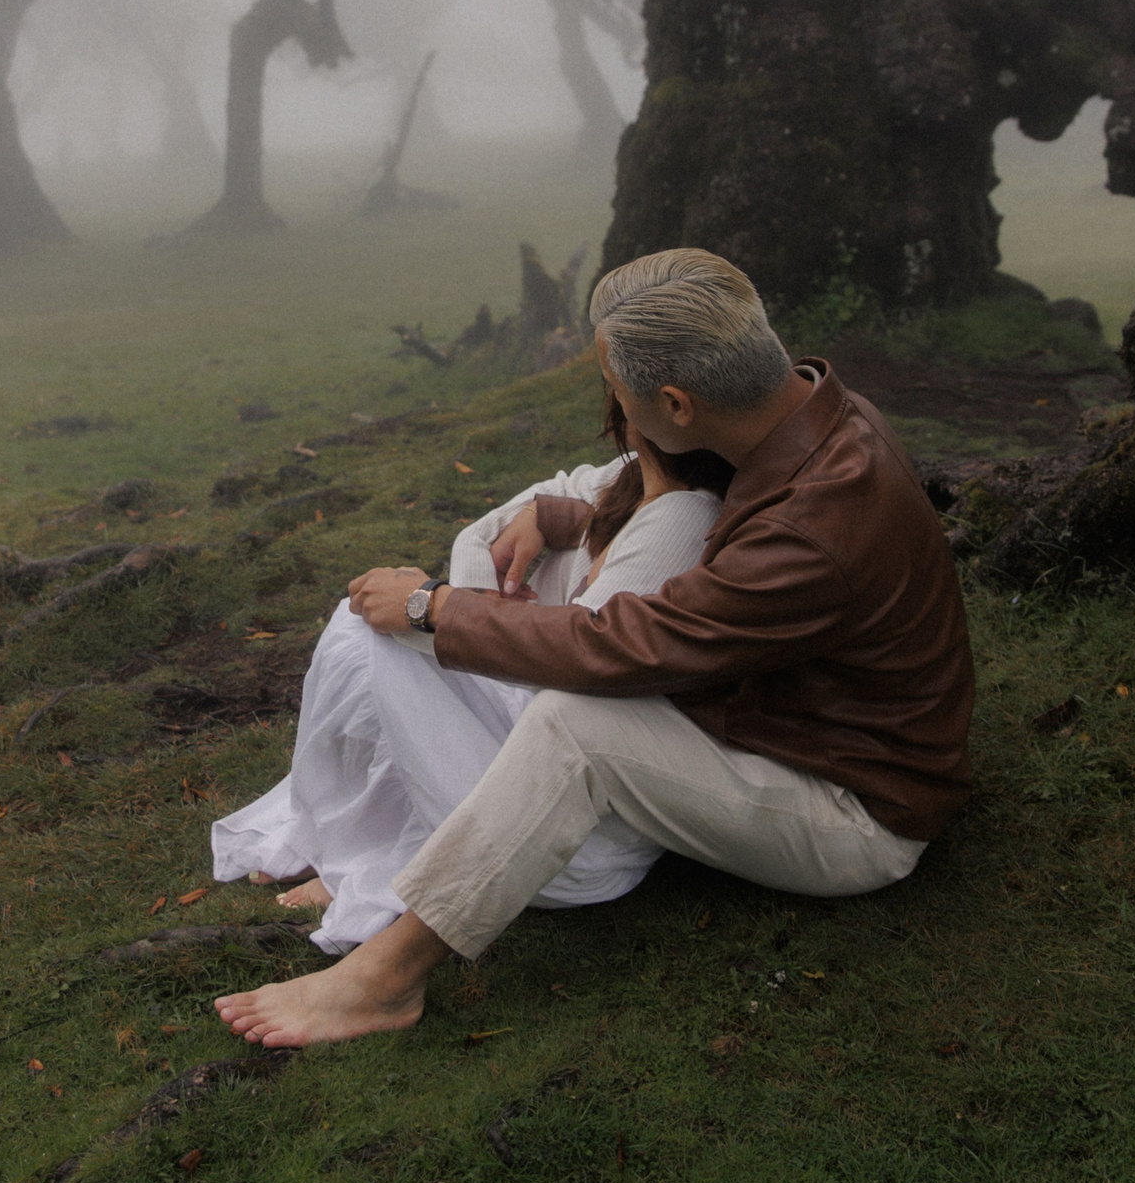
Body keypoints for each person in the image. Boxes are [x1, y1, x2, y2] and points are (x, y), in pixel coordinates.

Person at [214, 247, 975, 1048]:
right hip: (788, 732)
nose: (609, 402)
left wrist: (431, 606)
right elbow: (718, 535)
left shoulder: (814, 526)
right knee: (564, 711)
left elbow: (621, 643)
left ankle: (386, 980)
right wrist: (566, 517)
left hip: (855, 808)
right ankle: (385, 858)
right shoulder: (813, 416)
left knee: (578, 728)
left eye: (616, 388)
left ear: (677, 405)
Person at [209, 397, 735, 953]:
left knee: (365, 632)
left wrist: (433, 611)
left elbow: (578, 675)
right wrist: (481, 592)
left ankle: (367, 854)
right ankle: (361, 841)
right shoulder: (627, 481)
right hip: (538, 733)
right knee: (367, 624)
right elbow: (484, 531)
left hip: (571, 832)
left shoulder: (682, 515)